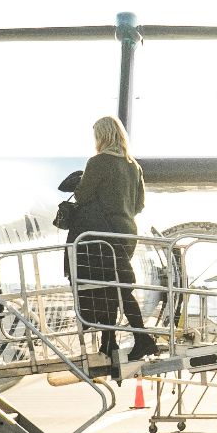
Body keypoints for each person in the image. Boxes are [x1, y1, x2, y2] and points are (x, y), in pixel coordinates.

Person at [69, 116, 157, 360]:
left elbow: (82, 196)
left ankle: (142, 338)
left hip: (103, 235)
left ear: (102, 136)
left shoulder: (98, 162)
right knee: (114, 286)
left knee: (113, 287)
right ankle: (110, 342)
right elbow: (139, 204)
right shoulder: (133, 166)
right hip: (127, 232)